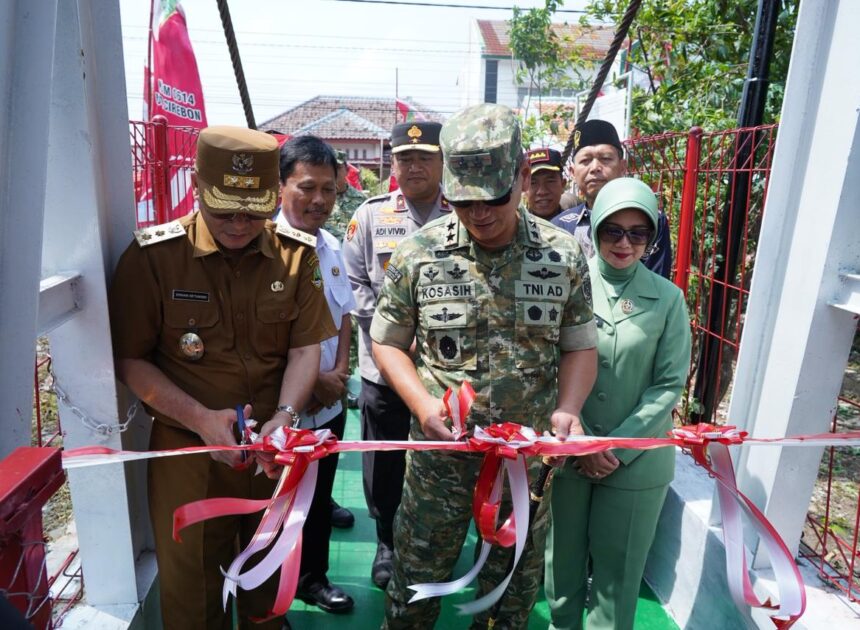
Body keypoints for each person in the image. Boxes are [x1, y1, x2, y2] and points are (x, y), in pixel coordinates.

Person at [370, 103, 598, 629]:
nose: (481, 215)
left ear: (522, 175)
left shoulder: (561, 254)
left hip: (525, 464)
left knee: (511, 590)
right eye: (465, 201)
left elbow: (579, 344)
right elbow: (387, 343)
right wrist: (423, 404)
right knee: (415, 584)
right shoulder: (419, 253)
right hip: (439, 462)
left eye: (494, 199)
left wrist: (569, 409)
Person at [109, 126, 336, 630]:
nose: (239, 224)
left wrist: (285, 417)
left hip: (272, 457)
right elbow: (131, 360)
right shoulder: (153, 259)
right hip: (187, 455)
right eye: (224, 209)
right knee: (191, 593)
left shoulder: (296, 255)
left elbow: (304, 349)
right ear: (196, 185)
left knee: (269, 584)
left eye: (253, 211)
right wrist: (200, 419)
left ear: (272, 196)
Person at [544, 177, 692, 630]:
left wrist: (616, 446)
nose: (625, 243)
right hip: (569, 452)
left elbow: (668, 385)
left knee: (618, 578)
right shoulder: (562, 283)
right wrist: (582, 441)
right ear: (595, 228)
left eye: (638, 233)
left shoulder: (668, 300)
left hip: (636, 463)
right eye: (613, 230)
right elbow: (545, 367)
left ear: (652, 237)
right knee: (560, 569)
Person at [342, 120, 451, 589]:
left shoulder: (464, 212)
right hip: (383, 368)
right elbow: (352, 285)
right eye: (404, 158)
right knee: (383, 461)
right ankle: (386, 541)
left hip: (445, 373)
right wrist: (396, 335)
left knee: (444, 461)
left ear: (443, 161)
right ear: (392, 163)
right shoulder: (370, 216)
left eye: (424, 156)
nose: (413, 166)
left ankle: (437, 543)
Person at [275, 136, 356, 614]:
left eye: (329, 189)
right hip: (283, 408)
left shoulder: (332, 246)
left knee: (320, 498)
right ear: (280, 186)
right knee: (278, 506)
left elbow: (343, 316)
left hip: (327, 401)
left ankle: (313, 580)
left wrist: (341, 372)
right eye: (307, 187)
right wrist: (305, 388)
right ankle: (273, 600)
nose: (319, 200)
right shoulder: (262, 249)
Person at [552, 120, 673, 279]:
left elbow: (655, 286)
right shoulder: (560, 226)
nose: (595, 167)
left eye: (606, 158)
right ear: (573, 172)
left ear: (623, 167)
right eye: (585, 160)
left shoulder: (652, 221)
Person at [326, 150, 367, 241]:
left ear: (347, 170)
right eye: (331, 168)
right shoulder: (320, 200)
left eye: (338, 168)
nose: (334, 172)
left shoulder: (362, 201)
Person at [525, 147, 566, 221]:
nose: (542, 192)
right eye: (533, 183)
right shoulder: (512, 229)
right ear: (523, 188)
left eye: (550, 181)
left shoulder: (576, 227)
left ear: (563, 185)